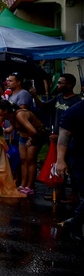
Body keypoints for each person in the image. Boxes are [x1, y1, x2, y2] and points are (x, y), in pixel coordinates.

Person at [56, 99, 84, 240]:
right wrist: (60, 160)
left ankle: (75, 221)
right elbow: (64, 136)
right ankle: (76, 223)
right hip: (81, 159)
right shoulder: (75, 111)